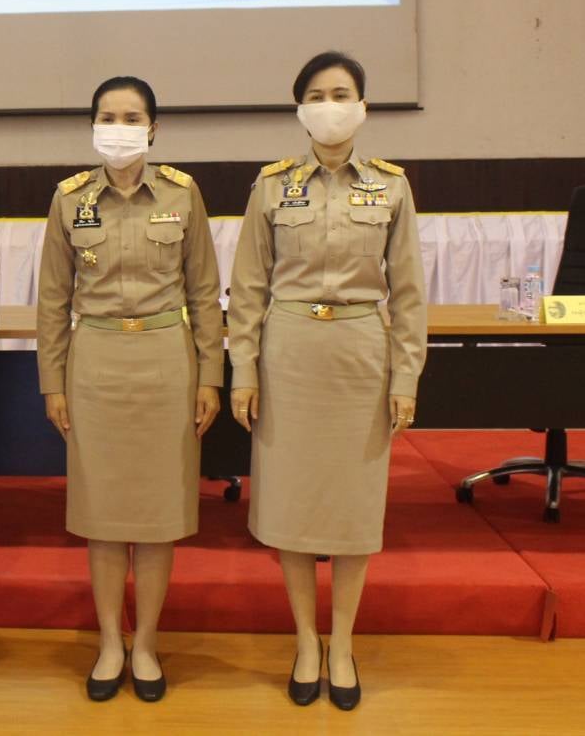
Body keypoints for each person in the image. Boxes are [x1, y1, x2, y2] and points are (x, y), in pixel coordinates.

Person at [227, 50, 426, 711]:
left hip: (360, 353)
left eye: (341, 93)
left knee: (351, 505)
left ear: (362, 106)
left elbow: (408, 293)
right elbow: (247, 289)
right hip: (288, 353)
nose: (329, 105)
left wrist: (405, 376)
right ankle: (305, 640)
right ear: (299, 108)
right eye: (316, 95)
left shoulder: (391, 186)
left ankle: (342, 642)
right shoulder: (271, 185)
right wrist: (242, 370)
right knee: (290, 503)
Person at [35, 76, 223, 704]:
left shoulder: (182, 194)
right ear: (93, 126)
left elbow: (205, 293)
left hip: (167, 361)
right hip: (95, 363)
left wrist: (211, 375)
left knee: (158, 515)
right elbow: (52, 300)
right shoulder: (70, 199)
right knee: (105, 514)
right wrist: (53, 383)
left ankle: (145, 641)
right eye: (108, 117)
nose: (119, 128)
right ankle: (109, 641)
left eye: (132, 117)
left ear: (153, 129)